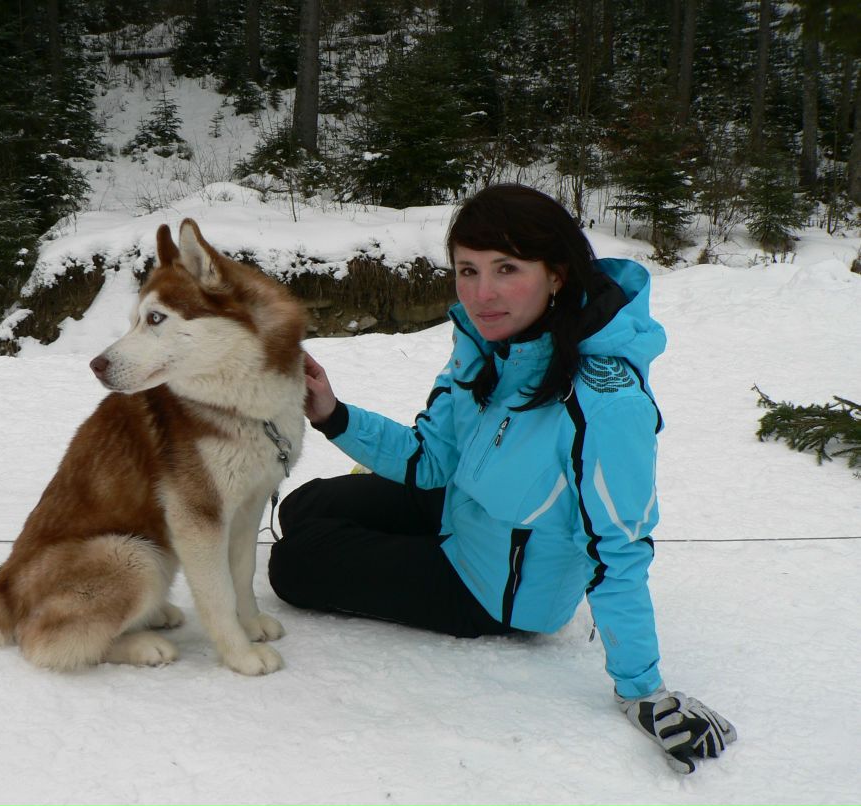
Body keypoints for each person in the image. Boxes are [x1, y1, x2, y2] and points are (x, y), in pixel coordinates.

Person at [269, 183, 737, 774]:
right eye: (468, 270)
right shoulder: (487, 339)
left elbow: (617, 550)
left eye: (506, 269)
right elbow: (431, 460)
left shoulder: (604, 404)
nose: (481, 293)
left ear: (557, 275)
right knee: (304, 504)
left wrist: (643, 689)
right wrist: (333, 415)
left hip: (494, 589)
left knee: (293, 562)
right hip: (462, 507)